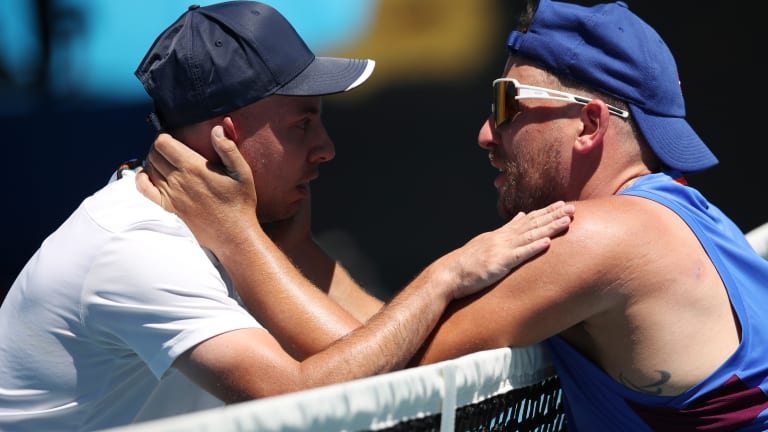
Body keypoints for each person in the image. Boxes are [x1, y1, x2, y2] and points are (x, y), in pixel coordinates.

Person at [144, 0, 768, 430]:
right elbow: (390, 334)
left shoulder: (602, 238)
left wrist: (234, 233)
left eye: (506, 104)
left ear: (589, 124)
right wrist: (294, 247)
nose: (484, 134)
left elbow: (366, 373)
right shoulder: (679, 217)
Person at [0, 2, 575, 431]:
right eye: (302, 124)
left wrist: (268, 241)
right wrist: (446, 274)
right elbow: (301, 396)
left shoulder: (232, 220)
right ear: (227, 139)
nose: (326, 148)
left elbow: (374, 349)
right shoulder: (137, 249)